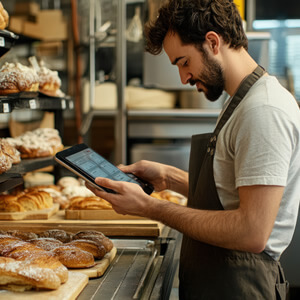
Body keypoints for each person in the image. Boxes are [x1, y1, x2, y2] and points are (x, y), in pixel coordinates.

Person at [87, 0, 300, 299]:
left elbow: (251, 231)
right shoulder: (241, 101)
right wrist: (169, 177)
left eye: (184, 62)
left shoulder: (263, 110)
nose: (184, 78)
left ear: (213, 42)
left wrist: (150, 207)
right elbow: (232, 196)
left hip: (240, 285)